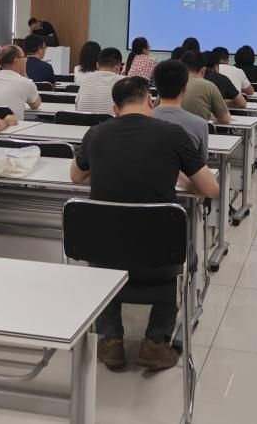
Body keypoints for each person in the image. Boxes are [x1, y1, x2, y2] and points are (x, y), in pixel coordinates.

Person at [69, 76, 219, 371]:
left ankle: (111, 340)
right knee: (177, 242)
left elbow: (76, 176)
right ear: (151, 101)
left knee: (110, 238)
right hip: (159, 259)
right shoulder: (173, 134)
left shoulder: (96, 133)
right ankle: (155, 342)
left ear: (115, 109)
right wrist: (180, 174)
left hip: (103, 256)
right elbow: (211, 189)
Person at [152, 59, 209, 158]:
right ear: (185, 87)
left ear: (156, 86)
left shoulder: (141, 119)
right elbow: (201, 161)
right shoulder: (200, 124)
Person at [0, 45, 41, 122]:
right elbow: (36, 105)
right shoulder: (26, 82)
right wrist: (24, 73)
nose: (26, 60)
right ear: (16, 60)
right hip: (14, 126)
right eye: (24, 57)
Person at [179, 51, 231, 124]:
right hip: (198, 130)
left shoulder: (170, 84)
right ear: (203, 70)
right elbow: (226, 119)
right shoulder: (209, 86)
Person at [75, 48, 123, 115]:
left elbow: (76, 106)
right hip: (110, 121)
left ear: (97, 65)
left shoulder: (86, 79)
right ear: (118, 67)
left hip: (83, 121)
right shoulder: (124, 82)